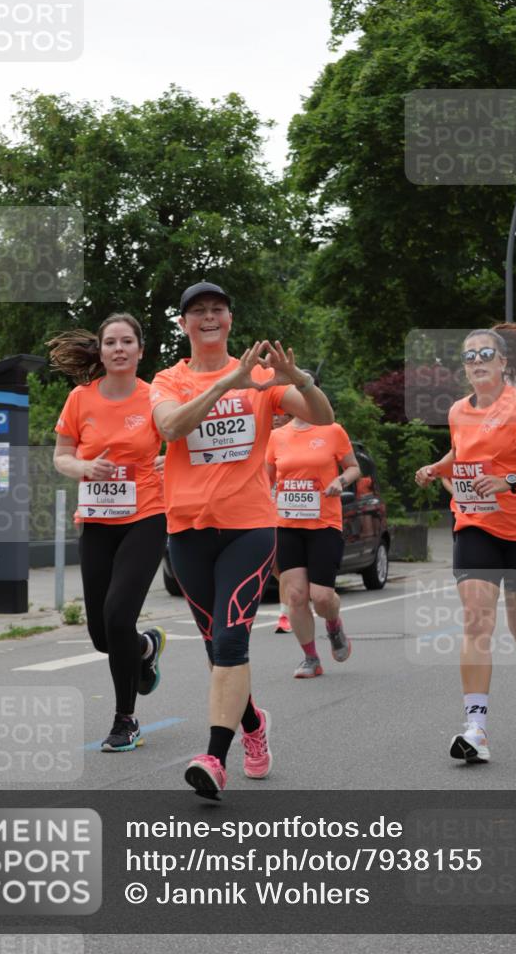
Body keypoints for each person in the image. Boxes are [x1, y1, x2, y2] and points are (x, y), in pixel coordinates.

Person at [150, 281, 334, 798]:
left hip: (249, 526)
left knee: (232, 640)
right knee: (217, 648)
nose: (209, 317)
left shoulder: (260, 377)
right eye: (198, 311)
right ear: (184, 324)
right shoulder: (167, 380)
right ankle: (253, 725)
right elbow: (171, 428)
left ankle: (214, 757)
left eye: (218, 310)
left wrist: (298, 379)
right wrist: (226, 382)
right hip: (187, 530)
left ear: (229, 319)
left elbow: (322, 416)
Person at [415, 325, 516, 764]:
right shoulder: (459, 411)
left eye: (486, 354)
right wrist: (435, 467)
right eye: (470, 356)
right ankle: (476, 729)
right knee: (477, 622)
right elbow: (461, 453)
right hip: (476, 524)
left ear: (504, 362)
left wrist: (510, 481)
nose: (478, 361)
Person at [51, 314, 167, 752]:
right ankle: (143, 649)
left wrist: (166, 458)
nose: (118, 349)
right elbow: (62, 455)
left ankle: (126, 720)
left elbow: (180, 437)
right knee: (103, 635)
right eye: (110, 342)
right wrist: (83, 466)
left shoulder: (155, 396)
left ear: (140, 350)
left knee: (119, 614)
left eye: (127, 341)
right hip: (97, 521)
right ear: (100, 351)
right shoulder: (80, 399)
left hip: (146, 517)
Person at [265, 382, 360, 677]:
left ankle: (333, 625)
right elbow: (266, 479)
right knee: (295, 595)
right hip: (287, 525)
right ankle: (310, 658)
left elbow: (354, 467)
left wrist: (340, 482)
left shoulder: (332, 430)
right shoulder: (276, 436)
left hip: (324, 524)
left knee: (321, 597)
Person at [271, 412, 293, 633]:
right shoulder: (264, 438)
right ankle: (295, 593)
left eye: (282, 415)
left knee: (285, 563)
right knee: (272, 564)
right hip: (264, 505)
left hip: (288, 507)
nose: (277, 418)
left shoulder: (293, 437)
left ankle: (284, 614)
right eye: (274, 415)